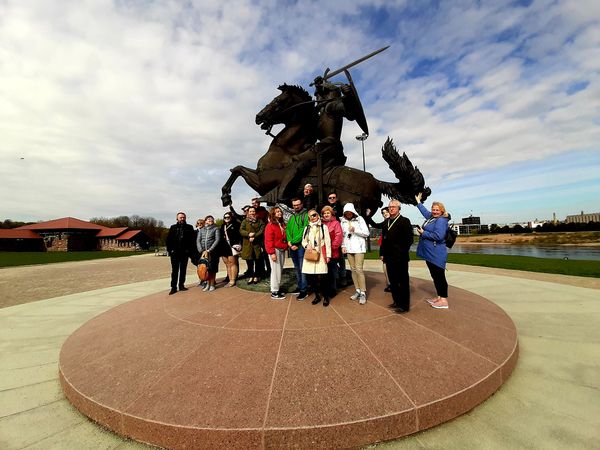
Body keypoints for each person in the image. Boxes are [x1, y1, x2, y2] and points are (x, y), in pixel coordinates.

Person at [415, 192, 450, 309]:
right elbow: (425, 212)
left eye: (437, 210)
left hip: (436, 253)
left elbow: (439, 236)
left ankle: (444, 300)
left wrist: (424, 233)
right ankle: (440, 297)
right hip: (430, 253)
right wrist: (418, 202)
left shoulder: (441, 220)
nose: (434, 211)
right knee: (435, 276)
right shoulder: (432, 218)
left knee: (439, 276)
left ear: (441, 211)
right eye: (433, 209)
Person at [380, 200, 414, 312]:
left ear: (399, 208)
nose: (391, 209)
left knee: (403, 281)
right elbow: (384, 240)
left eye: (394, 207)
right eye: (390, 207)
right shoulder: (386, 222)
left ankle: (404, 306)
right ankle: (396, 301)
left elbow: (409, 240)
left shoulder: (404, 221)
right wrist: (382, 253)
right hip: (389, 257)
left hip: (401, 257)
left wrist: (400, 251)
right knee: (393, 281)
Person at [340, 203, 369, 304]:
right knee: (353, 270)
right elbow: (343, 235)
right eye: (346, 213)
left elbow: (366, 233)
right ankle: (357, 290)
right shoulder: (342, 221)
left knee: (359, 269)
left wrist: (355, 230)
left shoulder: (360, 219)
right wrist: (343, 246)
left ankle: (363, 292)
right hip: (349, 248)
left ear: (353, 212)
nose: (348, 214)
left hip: (359, 248)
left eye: (350, 212)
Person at [302, 209, 332, 306]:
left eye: (314, 215)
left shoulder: (324, 227)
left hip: (321, 255)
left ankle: (326, 297)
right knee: (312, 278)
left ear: (318, 216)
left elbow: (328, 242)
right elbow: (303, 241)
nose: (312, 217)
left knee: (323, 278)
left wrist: (328, 255)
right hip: (311, 255)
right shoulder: (307, 228)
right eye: (310, 216)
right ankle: (317, 296)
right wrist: (307, 246)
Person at [165, 212, 196, 295]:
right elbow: (168, 240)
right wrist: (170, 250)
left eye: (183, 217)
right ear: (177, 218)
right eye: (180, 217)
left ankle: (181, 285)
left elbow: (192, 240)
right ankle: (173, 287)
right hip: (174, 253)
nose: (182, 219)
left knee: (183, 270)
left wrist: (189, 251)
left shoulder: (189, 227)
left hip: (185, 253)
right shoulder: (173, 227)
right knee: (174, 270)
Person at [286, 197, 309, 300]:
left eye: (298, 205)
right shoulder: (291, 217)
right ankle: (300, 287)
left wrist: (294, 242)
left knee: (302, 268)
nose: (296, 207)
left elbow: (304, 230)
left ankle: (304, 290)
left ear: (301, 204)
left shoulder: (306, 215)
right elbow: (288, 230)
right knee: (297, 268)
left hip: (301, 246)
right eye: (294, 205)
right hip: (293, 246)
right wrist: (290, 242)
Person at [366, 207, 392, 292]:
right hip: (386, 250)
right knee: (385, 268)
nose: (385, 214)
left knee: (392, 269)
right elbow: (375, 225)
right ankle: (389, 284)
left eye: (386, 212)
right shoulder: (385, 223)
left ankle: (393, 284)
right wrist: (368, 216)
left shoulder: (396, 222)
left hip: (394, 251)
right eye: (383, 213)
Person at [265, 206, 288, 300]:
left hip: (281, 249)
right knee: (275, 271)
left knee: (279, 270)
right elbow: (268, 240)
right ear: (273, 214)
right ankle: (274, 291)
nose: (279, 213)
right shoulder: (270, 225)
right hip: (275, 250)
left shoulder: (282, 224)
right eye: (277, 212)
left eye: (280, 211)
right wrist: (272, 253)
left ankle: (277, 288)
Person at [321, 205, 343, 301]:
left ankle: (333, 289)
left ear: (331, 214)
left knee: (332, 271)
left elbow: (339, 236)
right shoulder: (321, 223)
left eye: (328, 213)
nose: (326, 215)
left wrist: (332, 247)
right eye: (324, 213)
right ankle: (325, 289)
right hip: (323, 252)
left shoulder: (336, 223)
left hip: (333, 252)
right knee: (324, 272)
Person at [240, 207, 265, 284]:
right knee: (249, 261)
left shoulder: (260, 221)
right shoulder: (245, 221)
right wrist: (248, 234)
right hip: (248, 244)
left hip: (257, 244)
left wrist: (255, 236)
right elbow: (241, 230)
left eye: (253, 211)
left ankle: (257, 276)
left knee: (258, 261)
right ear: (248, 212)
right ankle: (251, 276)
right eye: (250, 211)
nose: (252, 213)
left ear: (255, 212)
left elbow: (262, 229)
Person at [196, 215, 221, 292]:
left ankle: (212, 284)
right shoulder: (202, 229)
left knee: (212, 269)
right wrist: (201, 250)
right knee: (205, 268)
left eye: (211, 219)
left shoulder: (216, 229)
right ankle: (207, 284)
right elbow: (198, 240)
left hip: (213, 252)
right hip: (203, 252)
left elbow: (217, 240)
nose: (210, 220)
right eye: (208, 219)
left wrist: (210, 250)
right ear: (205, 221)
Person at [218, 212, 242, 287]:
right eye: (225, 217)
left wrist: (239, 244)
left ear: (231, 217)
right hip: (223, 247)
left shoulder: (236, 224)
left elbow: (240, 236)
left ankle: (233, 280)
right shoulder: (223, 226)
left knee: (233, 263)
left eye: (228, 217)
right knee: (227, 264)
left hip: (232, 246)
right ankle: (230, 278)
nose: (226, 218)